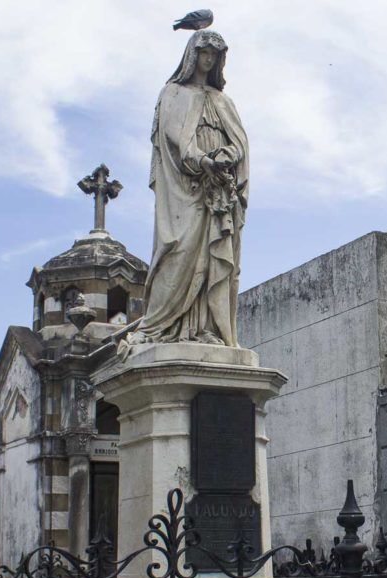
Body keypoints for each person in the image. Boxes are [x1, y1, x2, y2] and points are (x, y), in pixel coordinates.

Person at [139, 29, 248, 347]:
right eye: (203, 52)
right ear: (192, 56)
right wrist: (202, 161)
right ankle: (164, 327)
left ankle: (207, 329)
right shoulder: (173, 92)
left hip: (218, 192)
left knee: (214, 258)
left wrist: (227, 156)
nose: (209, 59)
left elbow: (240, 142)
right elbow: (172, 136)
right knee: (181, 250)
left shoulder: (223, 101)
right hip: (187, 187)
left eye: (215, 54)